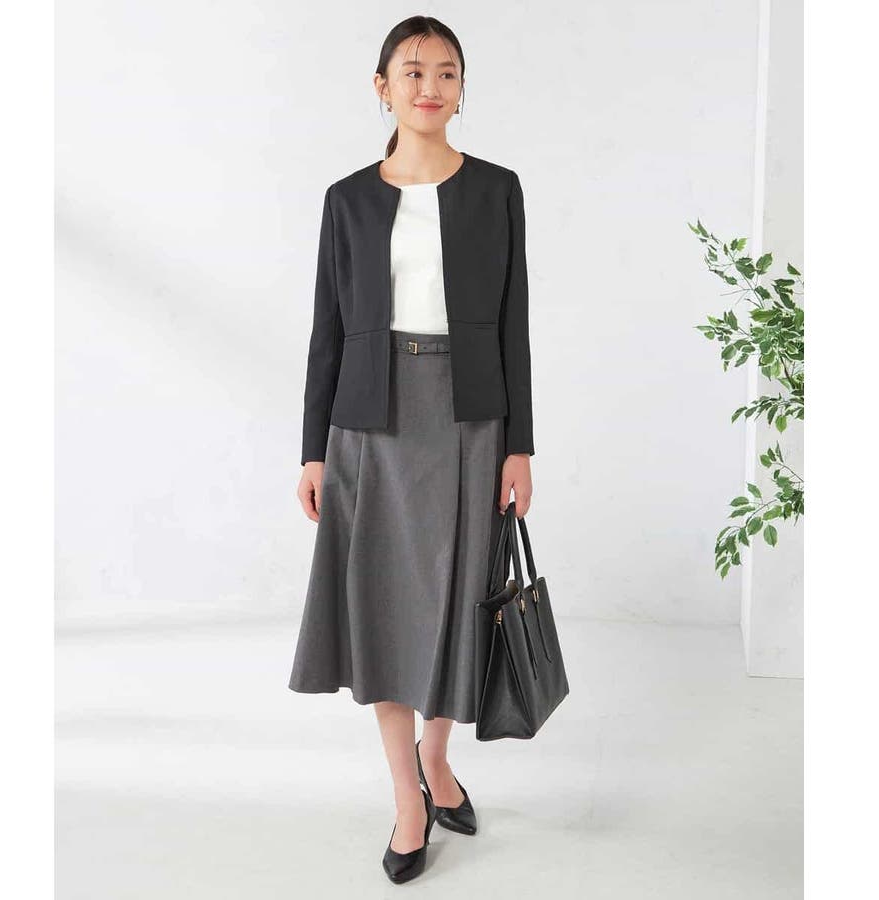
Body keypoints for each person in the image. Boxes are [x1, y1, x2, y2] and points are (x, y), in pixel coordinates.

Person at [288, 15, 535, 884]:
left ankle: (437, 758)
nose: (431, 86)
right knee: (385, 608)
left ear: (462, 90)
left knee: (457, 600)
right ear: (383, 87)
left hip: (470, 420)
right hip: (371, 421)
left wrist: (521, 445)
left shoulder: (497, 189)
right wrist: (314, 449)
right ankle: (406, 797)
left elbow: (513, 322)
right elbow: (326, 330)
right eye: (414, 70)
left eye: (447, 72)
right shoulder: (348, 199)